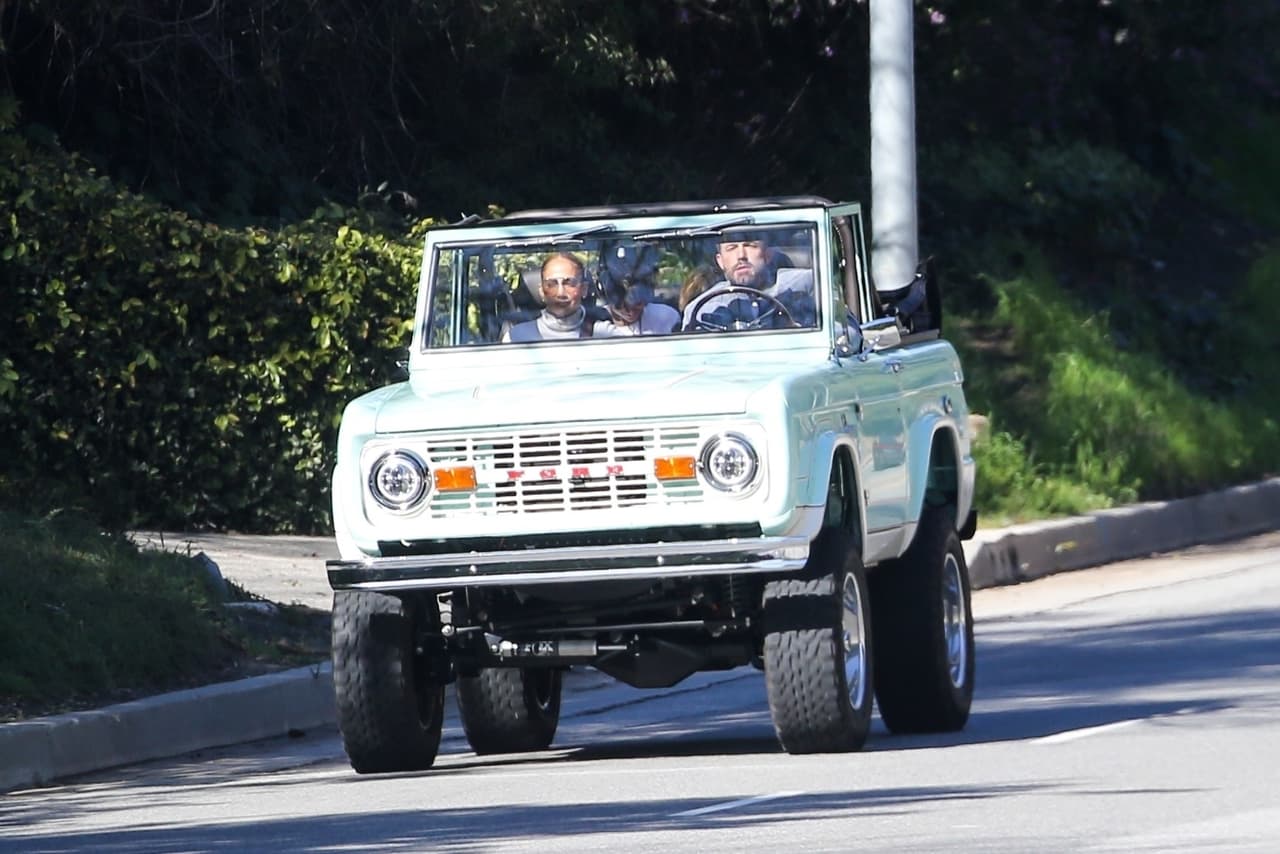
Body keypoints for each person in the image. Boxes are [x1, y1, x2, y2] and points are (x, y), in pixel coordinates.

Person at [681, 231, 815, 329]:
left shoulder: (808, 285)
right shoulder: (701, 310)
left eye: (750, 245)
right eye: (731, 248)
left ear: (767, 255)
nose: (741, 256)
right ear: (720, 261)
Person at [502, 252, 596, 342]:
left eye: (569, 283)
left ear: (584, 289)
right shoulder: (516, 337)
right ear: (541, 291)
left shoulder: (602, 333)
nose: (560, 293)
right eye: (551, 284)